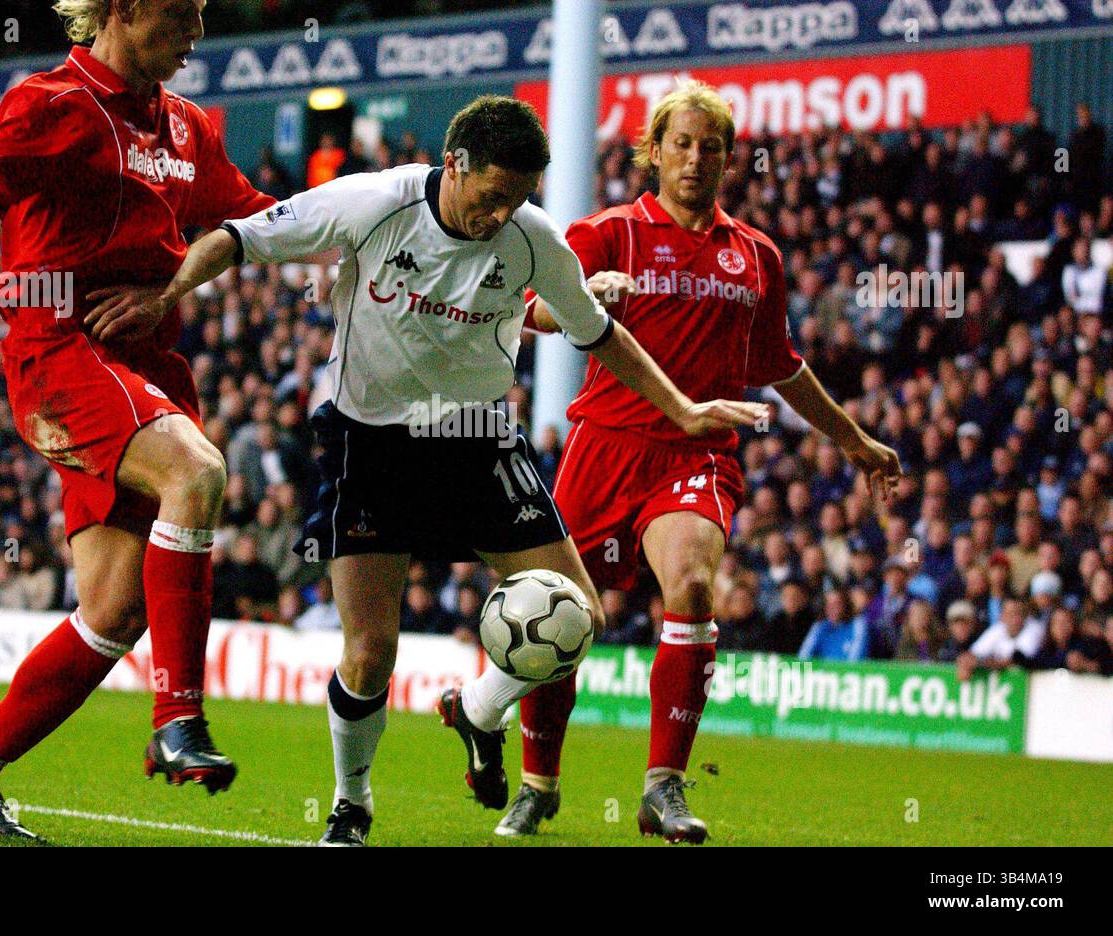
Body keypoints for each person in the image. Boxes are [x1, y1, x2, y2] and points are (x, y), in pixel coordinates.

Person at [107, 94, 767, 845]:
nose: (501, 216)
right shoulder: (373, 202)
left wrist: (682, 408)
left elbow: (598, 332)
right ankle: (351, 802)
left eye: (519, 199)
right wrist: (164, 294)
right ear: (454, 166)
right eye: (492, 196)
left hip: (478, 442)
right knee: (369, 653)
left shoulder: (532, 237)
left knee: (580, 613)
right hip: (371, 445)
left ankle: (480, 709)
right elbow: (237, 238)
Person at [0, 0, 275, 839]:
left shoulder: (189, 127)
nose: (197, 35)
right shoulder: (54, 101)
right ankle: (179, 721)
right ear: (124, 9)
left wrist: (377, 228)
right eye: (182, 14)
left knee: (111, 612)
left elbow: (253, 219)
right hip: (59, 352)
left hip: (145, 366)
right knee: (197, 471)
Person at [501, 80, 902, 843]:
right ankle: (539, 782)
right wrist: (585, 296)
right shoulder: (607, 232)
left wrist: (851, 438)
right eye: (680, 144)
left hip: (698, 452)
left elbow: (780, 365)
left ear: (728, 160)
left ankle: (663, 788)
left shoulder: (755, 257)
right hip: (604, 447)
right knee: (560, 618)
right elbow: (529, 310)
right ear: (653, 152)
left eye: (710, 147)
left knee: (690, 585)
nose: (695, 158)